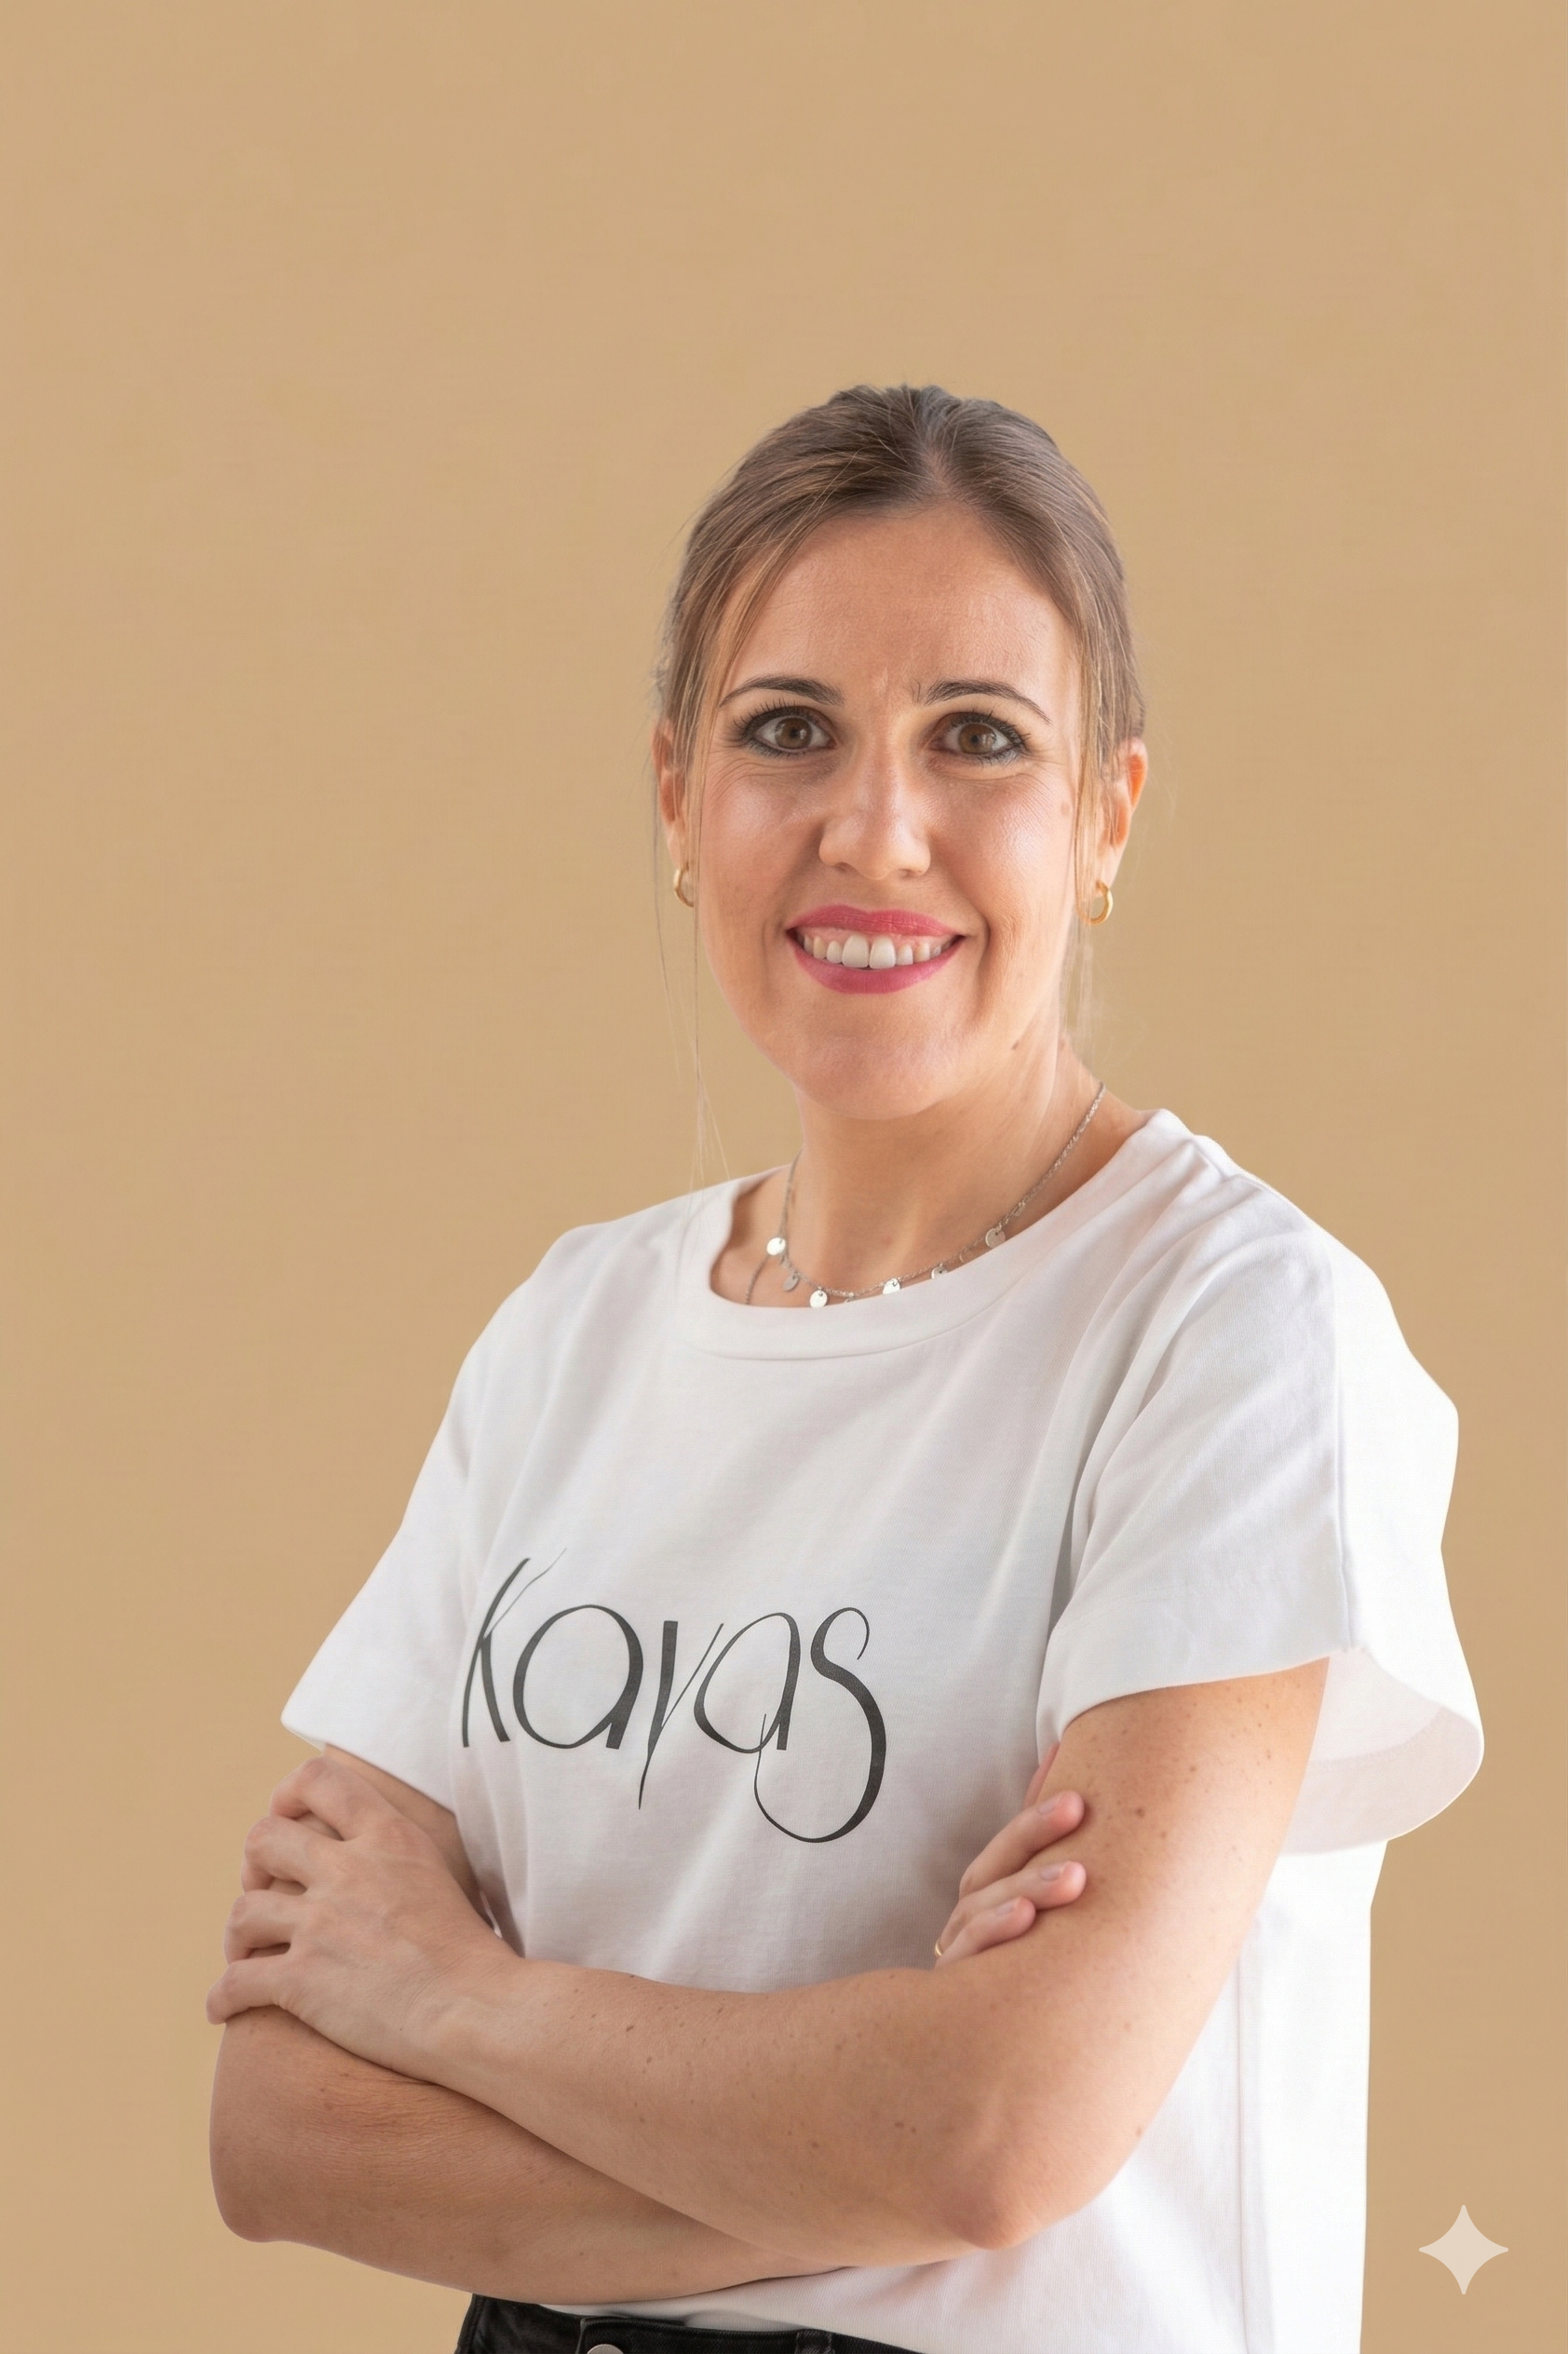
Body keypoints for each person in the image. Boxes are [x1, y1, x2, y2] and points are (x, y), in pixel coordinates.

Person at [207, 386, 1481, 2354]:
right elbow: (283, 2124)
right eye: (783, 730)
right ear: (674, 796)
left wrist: (455, 2001)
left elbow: (991, 2130)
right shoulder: (575, 1329)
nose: (871, 829)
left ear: (1106, 814)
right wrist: (847, 2142)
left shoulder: (1230, 1330)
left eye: (976, 739)